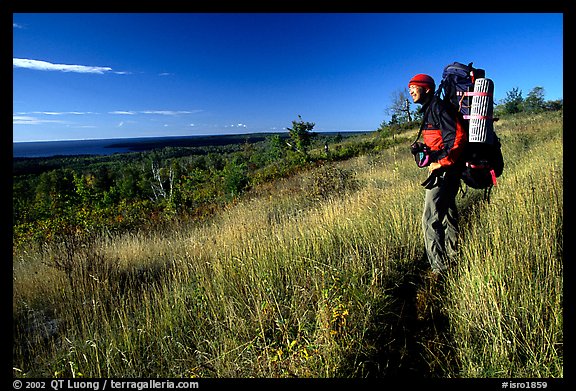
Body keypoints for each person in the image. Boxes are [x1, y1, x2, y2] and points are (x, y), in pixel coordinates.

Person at [408, 74, 467, 276]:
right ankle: (454, 255)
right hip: (448, 169)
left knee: (429, 220)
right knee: (448, 214)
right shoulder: (430, 110)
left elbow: (458, 138)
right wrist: (424, 149)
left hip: (444, 171)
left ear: (427, 89)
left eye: (414, 87)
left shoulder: (439, 108)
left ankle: (439, 270)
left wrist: (440, 162)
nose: (411, 92)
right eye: (410, 89)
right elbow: (441, 141)